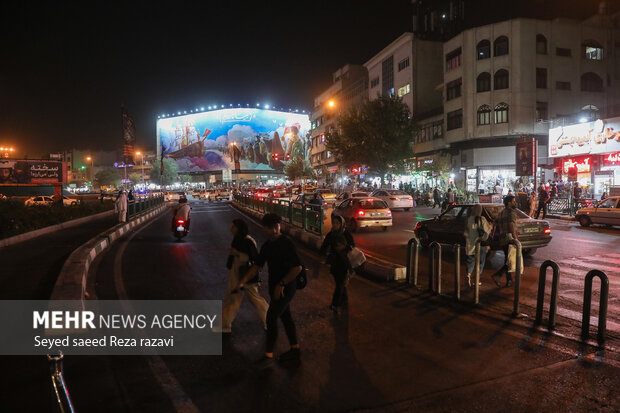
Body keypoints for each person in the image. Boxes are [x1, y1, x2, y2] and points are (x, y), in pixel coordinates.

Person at [236, 213, 302, 367]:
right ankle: (295, 349)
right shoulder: (267, 246)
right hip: (275, 287)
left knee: (271, 318)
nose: (274, 230)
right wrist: (243, 281)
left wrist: (282, 284)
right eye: (270, 228)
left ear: (279, 225)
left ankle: (268, 355)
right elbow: (257, 266)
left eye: (276, 227)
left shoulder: (287, 243)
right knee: (286, 317)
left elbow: (297, 267)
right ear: (265, 228)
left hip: (286, 286)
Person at [217, 219, 269, 334]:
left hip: (245, 275)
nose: (231, 229)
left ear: (239, 228)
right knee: (235, 299)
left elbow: (254, 260)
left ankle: (224, 325)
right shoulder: (238, 239)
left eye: (234, 227)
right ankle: (224, 325)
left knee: (242, 299)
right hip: (236, 273)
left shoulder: (248, 241)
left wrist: (236, 254)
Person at [320, 215, 355, 311]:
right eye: (334, 223)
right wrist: (323, 255)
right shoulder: (331, 234)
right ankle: (344, 298)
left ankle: (335, 304)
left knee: (339, 284)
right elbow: (324, 247)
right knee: (339, 283)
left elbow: (352, 245)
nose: (335, 225)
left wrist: (344, 248)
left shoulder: (346, 234)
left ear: (341, 224)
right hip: (335, 262)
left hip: (344, 262)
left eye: (337, 223)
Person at [491, 195, 519, 288]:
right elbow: (511, 225)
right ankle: (497, 275)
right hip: (509, 238)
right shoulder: (511, 212)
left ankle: (509, 280)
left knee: (508, 259)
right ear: (509, 203)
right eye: (514, 201)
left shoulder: (502, 212)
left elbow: (495, 223)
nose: (515, 202)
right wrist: (515, 239)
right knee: (510, 260)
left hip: (502, 238)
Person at [465, 204, 492, 287]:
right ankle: (476, 280)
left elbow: (466, 233)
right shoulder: (482, 219)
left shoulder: (468, 219)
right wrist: (491, 225)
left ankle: (468, 275)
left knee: (471, 262)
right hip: (481, 245)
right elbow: (487, 231)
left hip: (470, 245)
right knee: (480, 263)